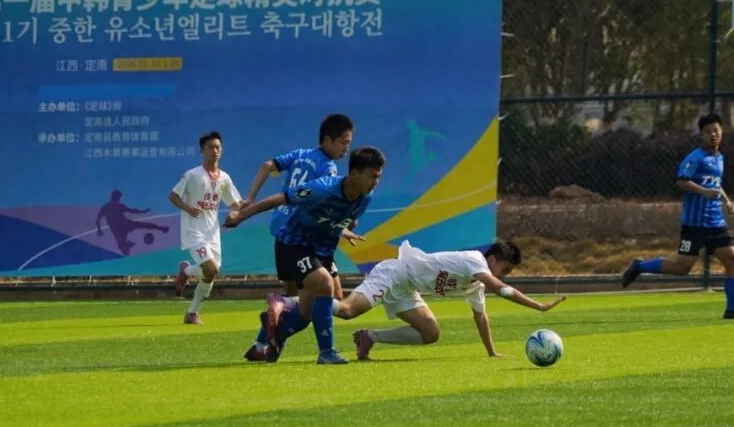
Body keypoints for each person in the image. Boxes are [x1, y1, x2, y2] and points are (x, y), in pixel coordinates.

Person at [225, 146, 385, 365]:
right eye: (372, 176)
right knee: (325, 286)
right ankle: (327, 353)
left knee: (309, 312)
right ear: (355, 173)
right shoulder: (322, 188)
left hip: (323, 250)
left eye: (379, 176)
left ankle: (267, 340)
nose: (376, 181)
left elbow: (344, 218)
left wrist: (346, 228)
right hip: (294, 243)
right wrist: (241, 216)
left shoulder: (366, 198)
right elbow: (279, 199)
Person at [326, 240, 566, 360]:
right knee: (347, 311)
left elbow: (480, 317)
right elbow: (500, 288)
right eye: (505, 269)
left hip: (408, 289)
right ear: (492, 259)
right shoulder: (475, 259)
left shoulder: (477, 284)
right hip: (395, 273)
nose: (503, 275)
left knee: (430, 333)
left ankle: (369, 337)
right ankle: (295, 301)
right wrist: (538, 306)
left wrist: (492, 352)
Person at [241, 114, 355, 362]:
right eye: (343, 143)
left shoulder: (301, 154)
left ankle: (262, 343)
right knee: (327, 298)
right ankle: (282, 309)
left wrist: (250, 197)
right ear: (327, 140)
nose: (347, 148)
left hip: (280, 229)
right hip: (304, 231)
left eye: (349, 143)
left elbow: (266, 165)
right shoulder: (328, 167)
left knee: (305, 297)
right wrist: (339, 226)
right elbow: (316, 202)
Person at [619, 113, 734, 319]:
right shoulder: (695, 157)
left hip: (716, 222)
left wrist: (727, 200)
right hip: (694, 224)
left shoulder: (719, 158)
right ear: (702, 135)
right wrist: (704, 192)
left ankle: (733, 309)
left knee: (732, 259)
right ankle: (640, 266)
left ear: (721, 131)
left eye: (716, 130)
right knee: (682, 268)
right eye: (708, 132)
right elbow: (682, 181)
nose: (713, 135)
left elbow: (715, 183)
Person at [170, 131, 243, 324]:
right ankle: (192, 310)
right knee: (210, 269)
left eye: (218, 147)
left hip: (213, 233)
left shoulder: (224, 178)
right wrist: (188, 208)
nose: (215, 151)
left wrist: (239, 212)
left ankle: (190, 305)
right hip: (194, 231)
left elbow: (236, 204)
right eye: (210, 147)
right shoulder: (192, 175)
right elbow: (173, 196)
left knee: (211, 273)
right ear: (202, 150)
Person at [96, 189, 169, 255]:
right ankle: (127, 249)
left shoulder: (119, 206)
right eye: (117, 198)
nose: (117, 200)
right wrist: (99, 229)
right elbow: (98, 219)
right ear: (112, 197)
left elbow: (131, 210)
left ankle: (161, 228)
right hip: (117, 230)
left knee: (142, 225)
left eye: (118, 198)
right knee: (122, 247)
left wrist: (142, 211)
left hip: (125, 224)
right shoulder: (106, 208)